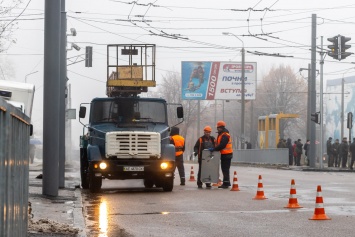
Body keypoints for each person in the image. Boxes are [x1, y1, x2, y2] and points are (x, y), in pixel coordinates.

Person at [208, 121, 233, 189]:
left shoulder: (225, 135)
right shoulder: (222, 134)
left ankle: (226, 183)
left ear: (221, 127)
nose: (217, 129)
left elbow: (222, 145)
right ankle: (226, 182)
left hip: (227, 154)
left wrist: (214, 149)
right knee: (224, 169)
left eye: (218, 127)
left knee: (225, 169)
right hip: (225, 154)